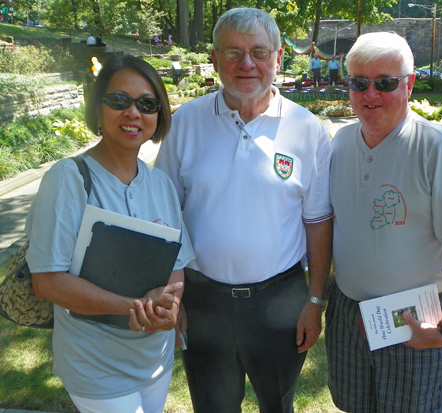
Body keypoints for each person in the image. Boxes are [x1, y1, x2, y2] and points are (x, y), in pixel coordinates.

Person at [154, 7, 332, 413]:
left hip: (280, 301)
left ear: (279, 57)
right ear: (214, 60)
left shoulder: (307, 130)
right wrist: (173, 293)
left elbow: (318, 222)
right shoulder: (186, 123)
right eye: (233, 53)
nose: (247, 64)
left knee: (278, 404)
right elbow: (164, 213)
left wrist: (316, 301)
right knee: (213, 407)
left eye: (258, 52)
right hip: (202, 302)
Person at [326, 31, 442, 413]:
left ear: (410, 84)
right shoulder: (339, 143)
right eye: (359, 83)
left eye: (385, 83)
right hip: (348, 309)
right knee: (353, 406)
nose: (370, 94)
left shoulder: (438, 148)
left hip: (414, 319)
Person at [25, 55, 195, 413]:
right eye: (119, 101)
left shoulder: (161, 185)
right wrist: (136, 308)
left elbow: (176, 267)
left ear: (158, 115)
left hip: (155, 361)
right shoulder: (67, 179)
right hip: (95, 365)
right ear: (98, 108)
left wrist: (171, 305)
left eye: (147, 104)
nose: (133, 113)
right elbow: (48, 282)